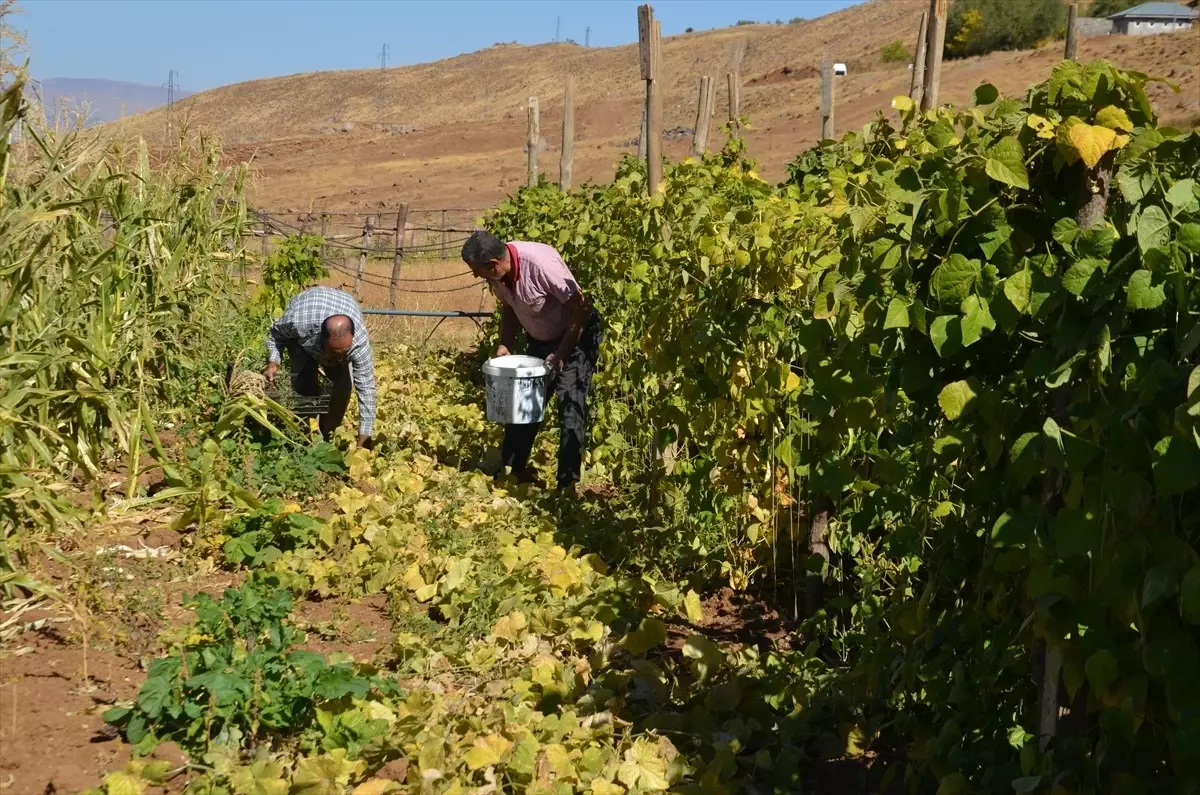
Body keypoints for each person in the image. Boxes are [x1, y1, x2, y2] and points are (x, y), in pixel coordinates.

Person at [461, 230, 603, 491]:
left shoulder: (540, 264)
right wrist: (505, 344)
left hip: (577, 338)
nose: (476, 277)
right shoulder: (499, 273)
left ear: (493, 265)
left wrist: (561, 355)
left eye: (477, 271)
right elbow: (509, 307)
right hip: (542, 340)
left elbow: (581, 307)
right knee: (524, 402)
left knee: (570, 407)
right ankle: (512, 472)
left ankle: (567, 487)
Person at [264, 286, 377, 449]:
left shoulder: (359, 344)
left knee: (342, 388)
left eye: (344, 352)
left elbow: (366, 388)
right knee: (305, 386)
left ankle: (326, 438)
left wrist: (365, 438)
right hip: (304, 335)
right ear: (320, 338)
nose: (340, 358)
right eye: (334, 352)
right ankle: (304, 439)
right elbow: (276, 334)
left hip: (338, 311)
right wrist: (274, 361)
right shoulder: (298, 323)